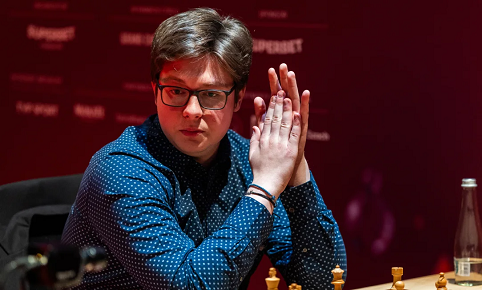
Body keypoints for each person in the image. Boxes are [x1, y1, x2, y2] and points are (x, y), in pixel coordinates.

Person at [62, 7, 346, 290]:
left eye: (211, 94)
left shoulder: (248, 163)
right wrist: (264, 190)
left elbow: (325, 280)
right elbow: (187, 287)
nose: (192, 110)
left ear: (237, 99)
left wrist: (294, 167)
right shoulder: (120, 169)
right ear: (154, 90)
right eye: (176, 91)